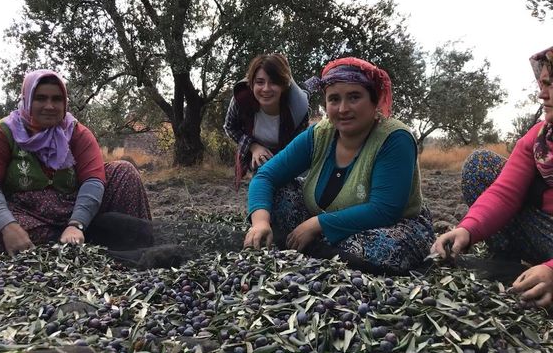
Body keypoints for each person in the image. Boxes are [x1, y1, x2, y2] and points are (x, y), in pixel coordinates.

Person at [244, 57, 434, 274]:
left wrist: (316, 225)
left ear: (374, 100)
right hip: (326, 217)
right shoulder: (319, 134)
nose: (343, 108)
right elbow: (265, 176)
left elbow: (384, 210)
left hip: (389, 225)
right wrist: (260, 223)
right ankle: (318, 247)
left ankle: (313, 248)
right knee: (275, 195)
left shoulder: (394, 138)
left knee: (383, 249)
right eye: (334, 99)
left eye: (354, 97)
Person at [0, 69, 153, 255]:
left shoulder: (77, 132)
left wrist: (77, 224)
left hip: (80, 212)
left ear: (65, 103)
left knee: (124, 172)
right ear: (26, 100)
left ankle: (118, 242)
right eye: (40, 98)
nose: (49, 106)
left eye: (57, 99)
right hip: (27, 216)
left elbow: (93, 180)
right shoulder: (2, 133)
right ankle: (74, 245)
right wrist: (8, 226)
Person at [432, 46, 553, 307]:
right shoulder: (540, 137)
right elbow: (504, 192)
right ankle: (507, 262)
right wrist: (467, 229)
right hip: (546, 233)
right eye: (542, 83)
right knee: (481, 165)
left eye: (551, 84)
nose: (542, 94)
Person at [224, 54, 309, 190]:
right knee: (263, 177)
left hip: (289, 155)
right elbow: (230, 127)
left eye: (274, 82)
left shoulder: (298, 109)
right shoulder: (241, 100)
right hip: (259, 157)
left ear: (283, 85)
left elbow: (299, 147)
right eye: (260, 82)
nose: (266, 89)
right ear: (251, 84)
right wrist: (253, 146)